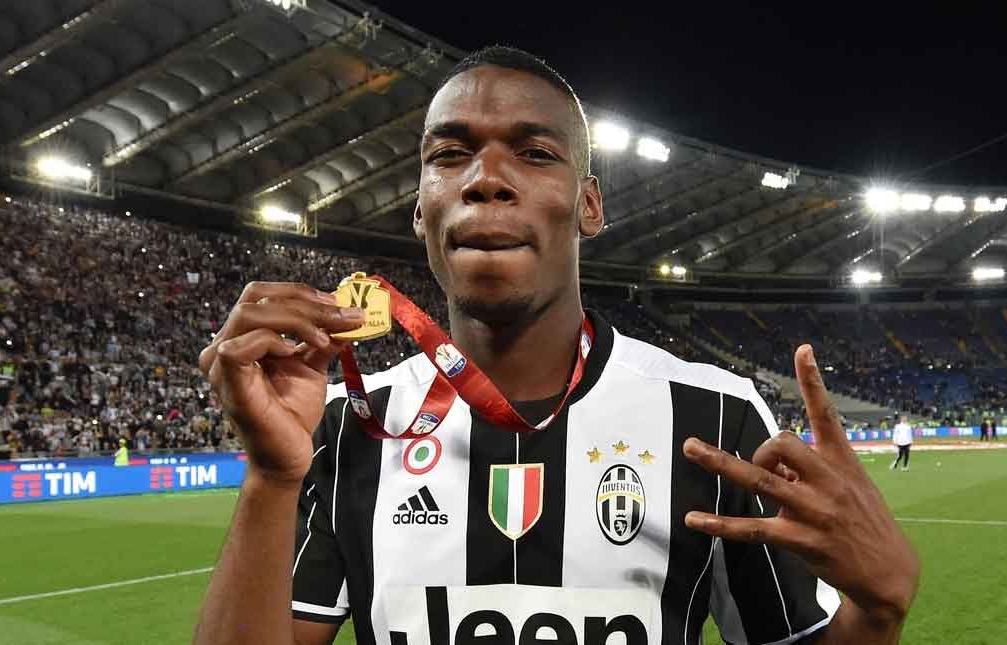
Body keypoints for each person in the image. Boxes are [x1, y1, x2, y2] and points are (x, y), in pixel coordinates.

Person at [193, 47, 919, 645]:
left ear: (589, 205)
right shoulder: (350, 421)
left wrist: (875, 615)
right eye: (451, 154)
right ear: (420, 208)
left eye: (535, 153)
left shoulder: (714, 416)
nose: (485, 180)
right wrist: (270, 477)